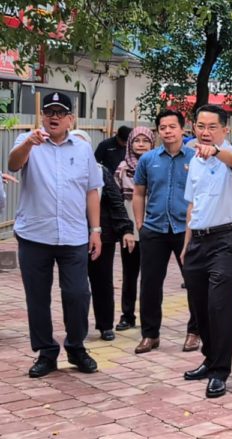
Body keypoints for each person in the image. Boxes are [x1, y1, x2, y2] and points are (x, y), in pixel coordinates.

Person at [9, 92, 103, 377]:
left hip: (73, 235)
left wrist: (95, 230)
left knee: (77, 294)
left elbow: (92, 190)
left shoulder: (83, 148)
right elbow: (13, 164)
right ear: (42, 116)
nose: (54, 117)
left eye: (60, 113)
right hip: (34, 235)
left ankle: (76, 347)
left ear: (70, 119)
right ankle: (46, 353)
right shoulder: (27, 141)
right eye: (49, 112)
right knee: (37, 297)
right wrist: (28, 143)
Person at [180, 104, 232, 398]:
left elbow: (231, 160)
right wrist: (186, 245)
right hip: (198, 241)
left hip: (226, 241)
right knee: (200, 308)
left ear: (225, 129)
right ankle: (209, 359)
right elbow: (192, 205)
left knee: (220, 307)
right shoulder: (194, 161)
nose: (205, 132)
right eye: (200, 126)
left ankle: (220, 371)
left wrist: (216, 151)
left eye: (212, 127)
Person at [133, 109, 199, 354]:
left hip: (186, 229)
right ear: (158, 131)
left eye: (172, 126)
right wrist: (140, 224)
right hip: (154, 229)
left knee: (193, 281)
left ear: (183, 129)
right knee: (149, 284)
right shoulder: (148, 159)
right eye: (163, 127)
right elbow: (139, 193)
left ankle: (195, 332)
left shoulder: (195, 158)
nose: (168, 131)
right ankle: (150, 335)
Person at [72, 129, 136, 342]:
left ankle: (105, 325)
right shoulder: (60, 173)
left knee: (102, 282)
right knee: (75, 287)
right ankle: (76, 328)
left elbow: (116, 202)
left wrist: (126, 229)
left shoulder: (100, 172)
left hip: (103, 236)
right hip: (72, 236)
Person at [114, 127, 155, 331]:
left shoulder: (157, 165)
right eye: (136, 140)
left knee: (150, 277)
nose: (140, 144)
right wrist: (124, 229)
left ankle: (150, 318)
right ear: (129, 144)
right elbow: (116, 200)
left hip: (153, 227)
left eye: (145, 141)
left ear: (152, 143)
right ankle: (127, 315)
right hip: (129, 229)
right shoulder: (122, 168)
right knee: (129, 274)